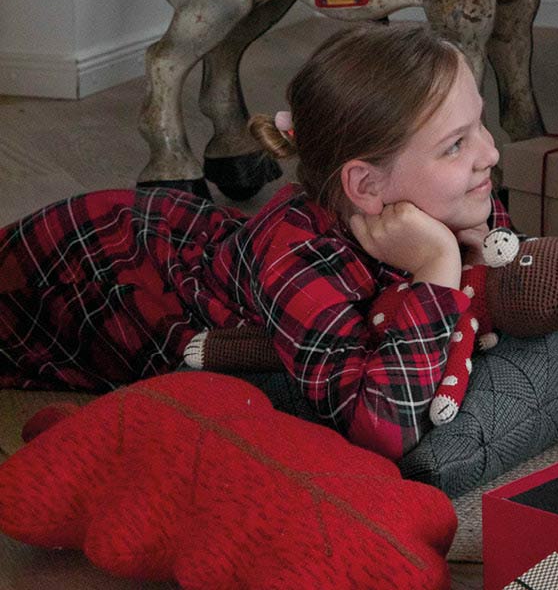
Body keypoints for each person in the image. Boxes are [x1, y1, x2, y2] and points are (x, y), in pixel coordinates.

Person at [0, 24, 505, 460]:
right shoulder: (298, 263)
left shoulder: (456, 198)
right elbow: (383, 429)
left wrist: (475, 251)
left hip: (186, 235)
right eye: (455, 144)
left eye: (479, 122)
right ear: (367, 187)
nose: (491, 152)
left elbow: (518, 280)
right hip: (93, 265)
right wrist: (438, 265)